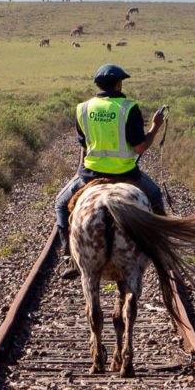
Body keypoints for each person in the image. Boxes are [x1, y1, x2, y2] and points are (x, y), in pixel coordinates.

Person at [55, 63, 167, 279]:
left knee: (60, 204)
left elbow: (84, 145)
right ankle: (161, 251)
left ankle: (69, 256)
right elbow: (140, 147)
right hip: (126, 175)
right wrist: (155, 126)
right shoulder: (129, 108)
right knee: (156, 196)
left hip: (90, 175)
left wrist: (81, 171)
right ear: (118, 84)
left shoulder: (83, 108)